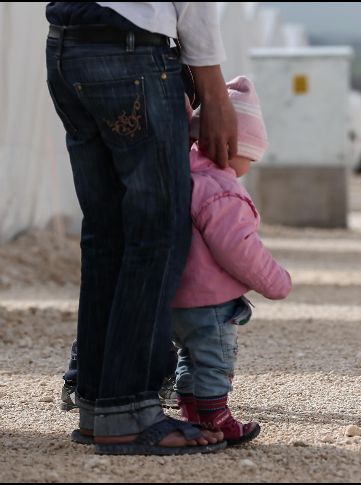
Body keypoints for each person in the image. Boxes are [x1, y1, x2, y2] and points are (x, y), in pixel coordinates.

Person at [45, 2, 236, 455]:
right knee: (157, 232)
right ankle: (129, 410)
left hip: (67, 47)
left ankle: (99, 405)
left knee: (107, 235)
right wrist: (214, 95)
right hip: (130, 54)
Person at [171, 76, 292, 445]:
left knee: (189, 357)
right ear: (229, 145)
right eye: (250, 156)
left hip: (176, 297)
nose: (250, 164)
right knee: (215, 361)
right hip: (211, 302)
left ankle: (192, 413)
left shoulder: (183, 178)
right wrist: (277, 281)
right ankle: (216, 419)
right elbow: (238, 249)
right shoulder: (222, 191)